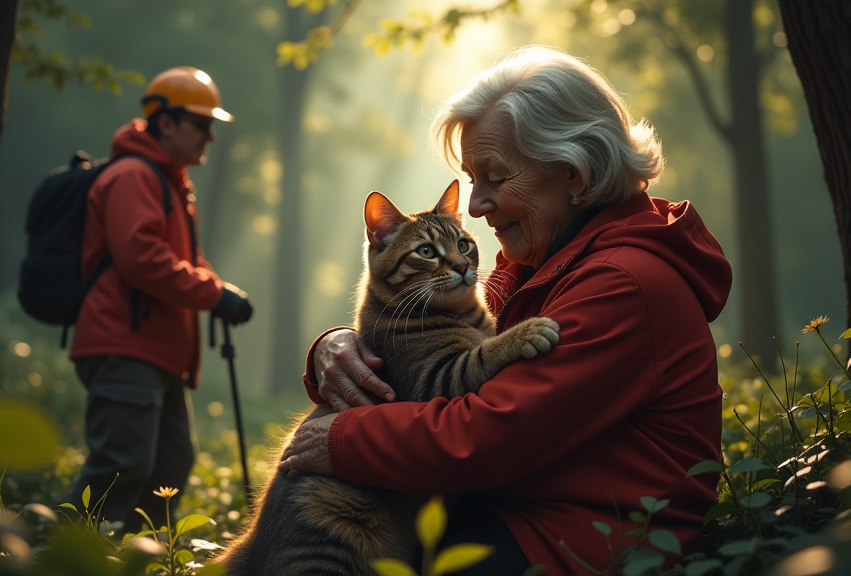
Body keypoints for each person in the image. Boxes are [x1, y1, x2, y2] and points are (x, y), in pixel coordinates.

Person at [278, 47, 733, 574]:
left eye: (494, 177)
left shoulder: (622, 283)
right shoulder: (538, 262)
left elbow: (486, 436)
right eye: (472, 179)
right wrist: (335, 347)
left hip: (585, 540)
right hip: (518, 509)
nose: (475, 206)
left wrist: (341, 439)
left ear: (574, 174)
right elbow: (427, 354)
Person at [63, 66, 253, 531]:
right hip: (124, 346)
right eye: (202, 124)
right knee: (120, 467)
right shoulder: (133, 176)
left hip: (156, 353)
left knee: (169, 468)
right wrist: (215, 296)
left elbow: (185, 257)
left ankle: (129, 558)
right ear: (166, 122)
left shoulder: (170, 183)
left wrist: (220, 290)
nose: (210, 137)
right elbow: (141, 258)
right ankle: (51, 554)